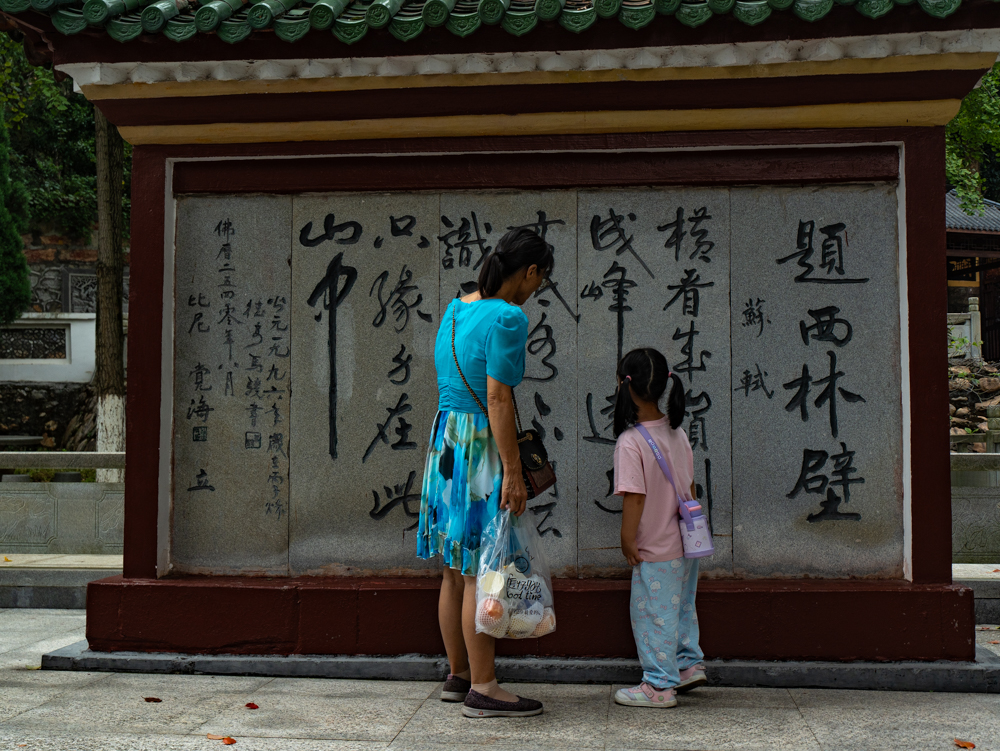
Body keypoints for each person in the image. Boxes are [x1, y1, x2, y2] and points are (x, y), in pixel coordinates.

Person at [417, 227, 554, 718]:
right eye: (540, 279)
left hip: (447, 442)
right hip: (480, 446)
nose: (537, 288)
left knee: (454, 570)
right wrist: (513, 472)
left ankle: (458, 675)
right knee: (480, 566)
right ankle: (484, 687)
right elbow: (498, 397)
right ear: (530, 271)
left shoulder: (456, 309)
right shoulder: (508, 316)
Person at [611, 348, 707, 708]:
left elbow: (635, 498)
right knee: (681, 607)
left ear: (624, 384)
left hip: (655, 547)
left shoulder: (631, 441)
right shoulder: (677, 432)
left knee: (653, 614)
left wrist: (627, 538)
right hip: (687, 542)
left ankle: (659, 686)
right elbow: (690, 485)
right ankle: (687, 665)